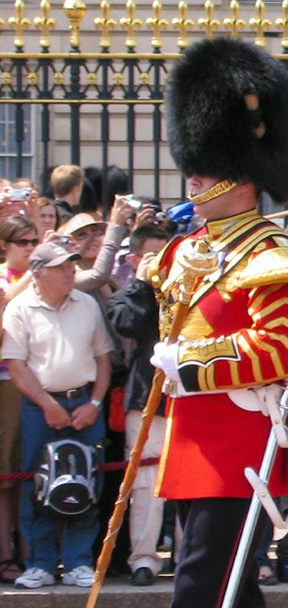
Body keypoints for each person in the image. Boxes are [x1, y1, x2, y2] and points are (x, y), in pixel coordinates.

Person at [64, 37, 288, 608]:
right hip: (196, 446)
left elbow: (281, 348)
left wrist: (194, 360)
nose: (194, 178)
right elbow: (142, 310)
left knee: (194, 606)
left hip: (240, 451)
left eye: (206, 169)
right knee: (230, 602)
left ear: (243, 179)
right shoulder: (191, 252)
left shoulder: (276, 258)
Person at [3, 239, 112, 589]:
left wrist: (94, 403)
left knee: (87, 482)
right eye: (61, 267)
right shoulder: (19, 308)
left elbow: (103, 359)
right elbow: (16, 366)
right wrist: (47, 404)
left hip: (84, 402)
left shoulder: (87, 305)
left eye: (71, 266)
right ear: (38, 273)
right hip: (39, 407)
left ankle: (79, 561)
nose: (70, 272)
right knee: (37, 485)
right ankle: (40, 563)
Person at [105, 224, 178, 587]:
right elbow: (127, 322)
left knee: (189, 480)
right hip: (145, 394)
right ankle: (144, 559)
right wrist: (142, 281)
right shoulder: (131, 292)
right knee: (146, 480)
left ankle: (187, 555)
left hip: (188, 394)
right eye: (154, 256)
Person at [0, 213, 42, 583]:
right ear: (5, 245)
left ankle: (35, 554)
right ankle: (6, 554)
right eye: (22, 243)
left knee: (30, 472)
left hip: (42, 382)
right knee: (6, 476)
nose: (30, 250)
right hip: (6, 383)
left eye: (34, 243)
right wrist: (36, 269)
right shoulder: (5, 277)